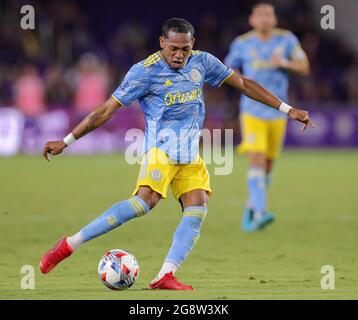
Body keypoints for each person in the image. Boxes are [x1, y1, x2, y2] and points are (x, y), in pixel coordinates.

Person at [39, 18, 314, 290]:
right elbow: (105, 111)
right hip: (160, 149)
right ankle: (68, 244)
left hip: (190, 153)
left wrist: (288, 109)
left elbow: (243, 83)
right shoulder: (143, 72)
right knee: (142, 203)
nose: (179, 55)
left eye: (185, 49)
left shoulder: (203, 62)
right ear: (162, 43)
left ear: (192, 44)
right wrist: (67, 140)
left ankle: (165, 275)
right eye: (173, 48)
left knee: (197, 208)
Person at [224, 2, 310, 232]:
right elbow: (227, 70)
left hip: (279, 112)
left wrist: (284, 63)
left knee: (268, 166)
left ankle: (250, 209)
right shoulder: (242, 43)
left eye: (268, 14)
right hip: (252, 111)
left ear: (275, 19)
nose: (264, 19)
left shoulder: (287, 40)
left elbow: (304, 67)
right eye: (259, 15)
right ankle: (261, 212)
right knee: (257, 160)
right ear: (251, 19)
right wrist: (241, 83)